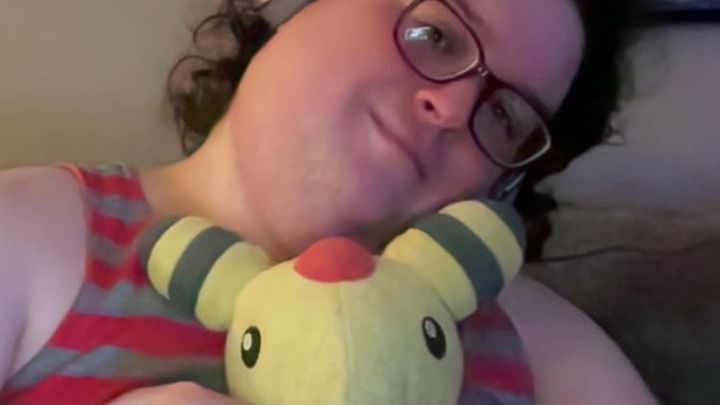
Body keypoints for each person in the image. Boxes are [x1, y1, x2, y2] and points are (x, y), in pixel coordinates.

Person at [0, 0, 659, 403]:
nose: (456, 108)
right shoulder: (28, 233)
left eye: (506, 116)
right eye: (437, 34)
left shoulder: (540, 341)